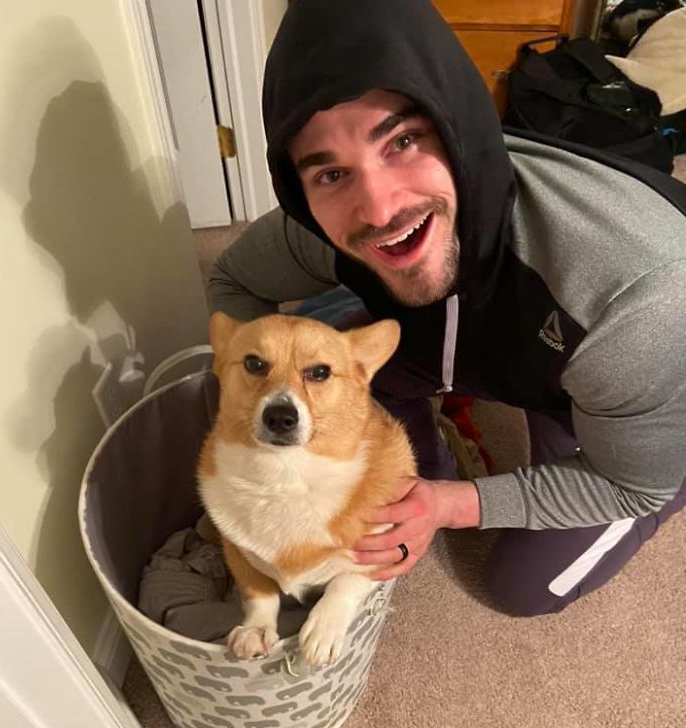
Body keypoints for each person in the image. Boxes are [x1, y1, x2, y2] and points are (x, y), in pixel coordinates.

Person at [208, 0, 686, 616]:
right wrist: (415, 489)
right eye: (330, 174)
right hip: (466, 340)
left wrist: (451, 505)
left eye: (403, 140)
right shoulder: (320, 227)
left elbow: (626, 486)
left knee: (526, 587)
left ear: (458, 123)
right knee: (323, 367)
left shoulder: (640, 292)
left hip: (601, 374)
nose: (378, 209)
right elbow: (230, 277)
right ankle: (430, 450)